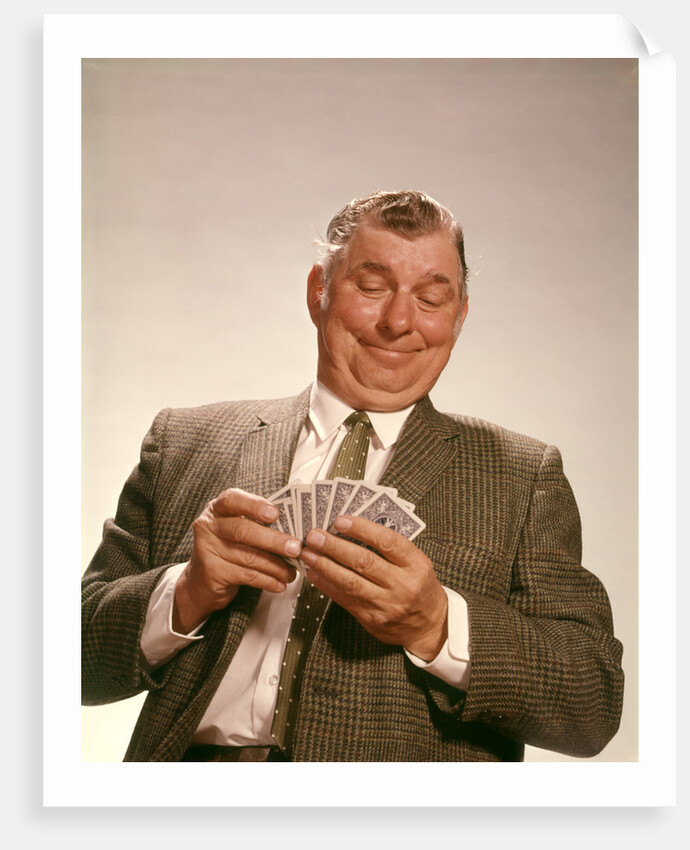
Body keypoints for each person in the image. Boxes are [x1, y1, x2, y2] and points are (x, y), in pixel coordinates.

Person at [81, 190, 624, 762]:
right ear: (318, 290)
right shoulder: (184, 441)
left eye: (432, 298)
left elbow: (592, 705)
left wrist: (438, 624)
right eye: (372, 287)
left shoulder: (522, 475)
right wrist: (186, 592)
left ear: (460, 315)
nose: (397, 321)